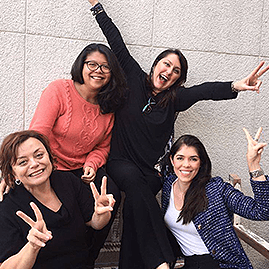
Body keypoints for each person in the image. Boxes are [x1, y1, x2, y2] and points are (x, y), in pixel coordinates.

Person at [86, 1, 269, 268]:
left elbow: (204, 90)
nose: (169, 71)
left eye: (176, 71)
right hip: (120, 163)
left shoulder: (174, 100)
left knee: (138, 207)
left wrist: (235, 86)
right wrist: (97, 7)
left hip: (149, 172)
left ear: (177, 80)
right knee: (136, 188)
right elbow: (116, 41)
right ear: (155, 64)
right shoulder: (133, 78)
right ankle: (162, 261)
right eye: (166, 64)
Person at [0, 42, 127, 267]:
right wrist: (16, 171)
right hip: (51, 165)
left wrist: (92, 163)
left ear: (112, 73)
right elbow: (37, 135)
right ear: (81, 65)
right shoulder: (60, 90)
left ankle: (89, 255)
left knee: (109, 197)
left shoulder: (108, 105)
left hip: (81, 170)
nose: (98, 70)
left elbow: (103, 146)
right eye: (92, 64)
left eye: (105, 67)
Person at [0, 130, 115, 269]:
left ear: (49, 156)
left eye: (39, 155)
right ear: (13, 173)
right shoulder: (7, 207)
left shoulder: (67, 181)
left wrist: (101, 213)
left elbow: (96, 224)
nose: (34, 164)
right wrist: (32, 246)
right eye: (23, 162)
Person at [162, 129, 269, 269]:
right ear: (172, 160)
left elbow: (262, 211)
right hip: (188, 264)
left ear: (201, 163)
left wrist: (254, 165)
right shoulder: (168, 185)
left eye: (193, 159)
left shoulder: (216, 189)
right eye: (180, 158)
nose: (186, 165)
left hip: (219, 264)